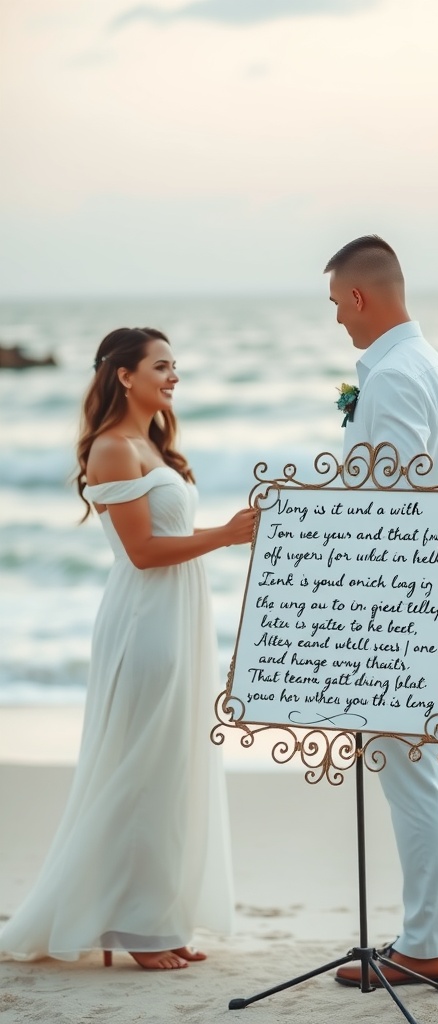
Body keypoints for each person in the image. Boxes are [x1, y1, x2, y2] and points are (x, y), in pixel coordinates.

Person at [0, 327, 256, 970]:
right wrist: (224, 536)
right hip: (146, 623)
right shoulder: (113, 450)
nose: (174, 378)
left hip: (177, 616)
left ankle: (158, 919)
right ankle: (133, 929)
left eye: (175, 367)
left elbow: (165, 534)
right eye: (162, 367)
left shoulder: (150, 445)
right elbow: (142, 553)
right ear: (124, 375)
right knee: (140, 773)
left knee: (168, 770)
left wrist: (231, 532)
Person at [324, 236, 438, 990]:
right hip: (434, 602)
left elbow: (394, 509)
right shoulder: (433, 367)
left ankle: (423, 947)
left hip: (399, 612)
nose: (339, 325)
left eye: (336, 308)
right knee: (436, 772)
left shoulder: (389, 380)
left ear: (359, 298)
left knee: (412, 775)